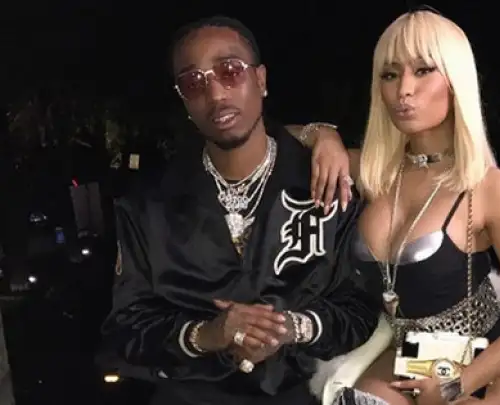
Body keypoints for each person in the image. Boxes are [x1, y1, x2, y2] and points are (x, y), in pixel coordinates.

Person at [99, 16, 383, 405]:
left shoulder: (327, 184)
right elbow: (127, 327)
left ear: (261, 80)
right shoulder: (148, 205)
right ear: (183, 100)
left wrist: (291, 328)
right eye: (193, 82)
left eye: (230, 71)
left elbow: (361, 310)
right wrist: (208, 335)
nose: (215, 94)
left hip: (300, 394)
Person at [290, 9, 500, 405]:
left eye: (423, 70)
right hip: (414, 356)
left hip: (499, 361)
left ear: (455, 80)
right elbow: (270, 144)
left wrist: (454, 387)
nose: (404, 90)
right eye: (390, 74)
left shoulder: (491, 188)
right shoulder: (373, 173)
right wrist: (323, 136)